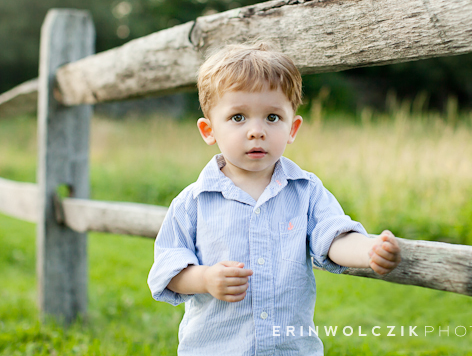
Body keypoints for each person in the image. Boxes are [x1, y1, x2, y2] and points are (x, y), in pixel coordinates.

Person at [147, 43, 401, 355]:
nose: (257, 131)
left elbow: (333, 236)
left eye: (272, 117)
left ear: (292, 127)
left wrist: (370, 249)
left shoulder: (305, 190)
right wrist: (206, 278)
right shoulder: (193, 202)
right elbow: (168, 270)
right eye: (238, 117)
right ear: (208, 130)